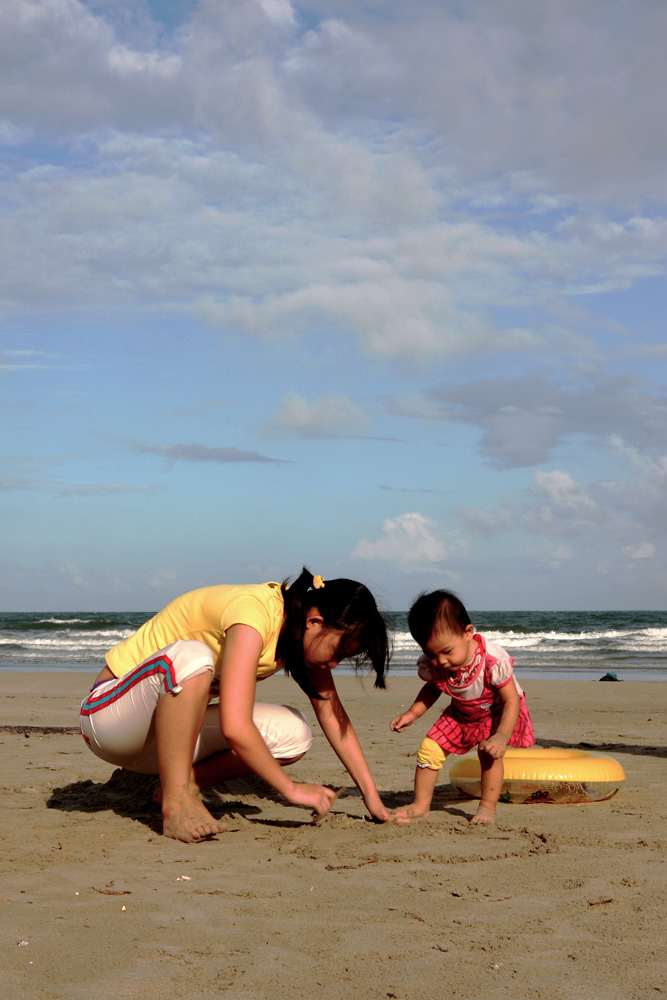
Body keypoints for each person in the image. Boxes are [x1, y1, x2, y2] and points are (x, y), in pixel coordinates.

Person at [80, 568, 390, 842]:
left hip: (163, 741)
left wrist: (373, 799)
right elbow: (235, 725)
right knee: (194, 657)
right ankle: (175, 805)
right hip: (109, 721)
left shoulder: (298, 636)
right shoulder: (254, 614)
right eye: (337, 652)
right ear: (314, 621)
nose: (334, 664)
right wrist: (290, 788)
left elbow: (333, 716)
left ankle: (183, 784)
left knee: (294, 733)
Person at [390, 589, 534, 824]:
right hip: (462, 712)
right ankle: (421, 805)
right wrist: (412, 713)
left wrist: (501, 736)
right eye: (431, 654)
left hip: (496, 711)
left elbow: (512, 700)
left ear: (468, 633)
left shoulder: (492, 661)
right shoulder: (437, 662)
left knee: (488, 755)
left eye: (447, 652)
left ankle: (487, 807)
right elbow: (433, 688)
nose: (441, 662)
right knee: (429, 749)